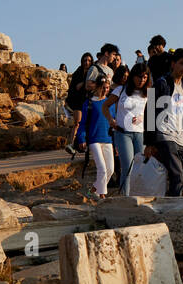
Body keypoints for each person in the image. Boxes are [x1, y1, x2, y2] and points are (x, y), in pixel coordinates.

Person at [144, 48, 183, 196]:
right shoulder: (161, 83)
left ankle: (168, 201)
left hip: (181, 138)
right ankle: (171, 210)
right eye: (182, 63)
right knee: (177, 177)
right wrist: (149, 143)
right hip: (165, 135)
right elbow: (149, 111)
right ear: (173, 64)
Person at [105, 62, 149, 195]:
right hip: (123, 133)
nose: (142, 80)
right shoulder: (121, 90)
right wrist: (111, 120)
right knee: (127, 167)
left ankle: (138, 195)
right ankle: (126, 197)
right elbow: (105, 106)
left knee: (140, 167)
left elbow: (150, 113)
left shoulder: (148, 92)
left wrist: (142, 117)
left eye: (145, 77)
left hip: (140, 133)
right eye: (139, 76)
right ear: (133, 76)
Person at [78, 68, 115, 199]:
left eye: (108, 87)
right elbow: (82, 123)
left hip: (108, 139)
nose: (106, 90)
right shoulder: (89, 103)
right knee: (102, 169)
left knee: (110, 169)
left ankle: (93, 189)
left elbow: (114, 122)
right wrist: (81, 139)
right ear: (98, 87)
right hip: (94, 139)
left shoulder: (111, 103)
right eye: (104, 87)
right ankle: (102, 196)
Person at [64, 52, 94, 155]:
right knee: (77, 123)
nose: (87, 62)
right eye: (85, 60)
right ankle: (71, 145)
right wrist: (84, 83)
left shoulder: (93, 72)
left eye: (89, 60)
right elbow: (75, 87)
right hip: (78, 101)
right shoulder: (78, 73)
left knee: (89, 124)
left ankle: (85, 145)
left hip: (90, 101)